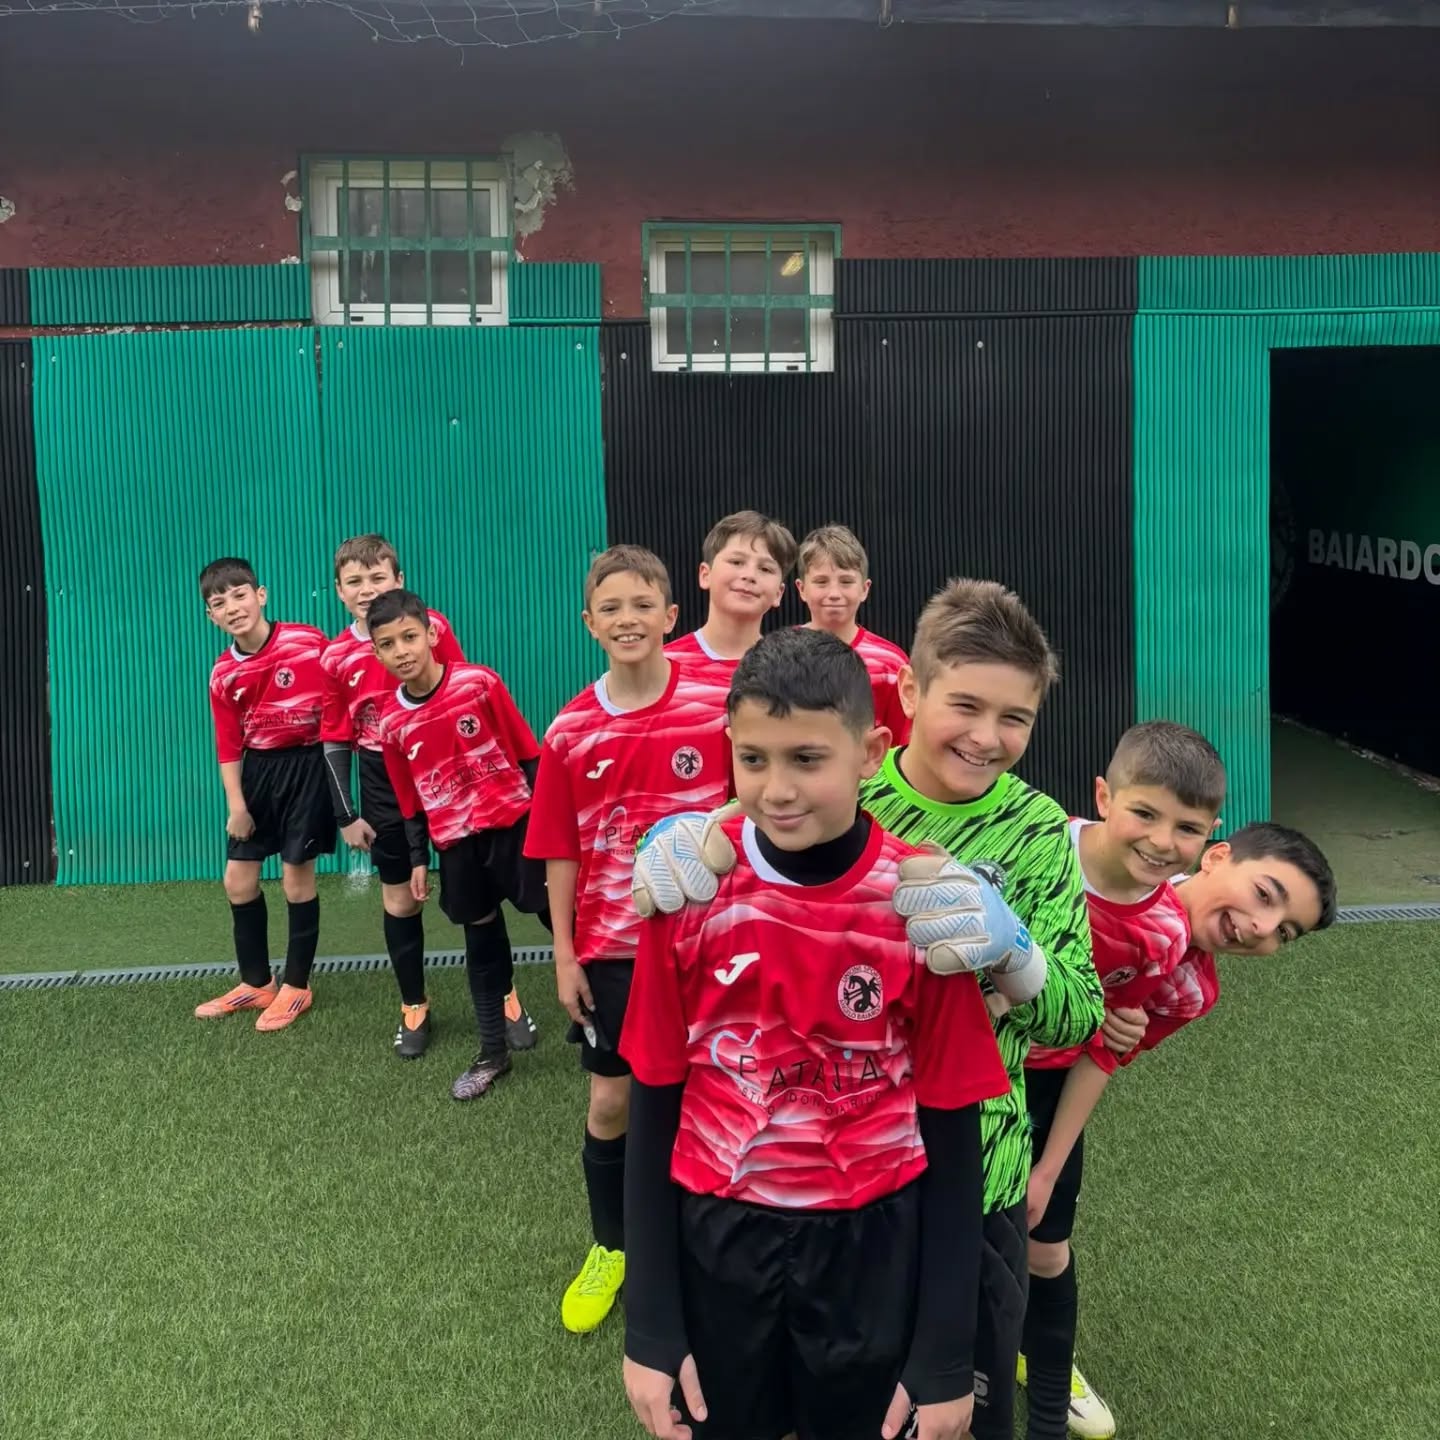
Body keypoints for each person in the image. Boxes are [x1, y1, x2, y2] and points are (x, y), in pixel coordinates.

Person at [632, 578, 1106, 1440]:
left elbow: (1078, 1020)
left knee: (955, 1411)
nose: (987, 737)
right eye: (967, 706)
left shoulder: (1038, 830)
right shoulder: (825, 796)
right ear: (909, 698)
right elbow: (751, 808)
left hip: (967, 1175)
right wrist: (669, 839)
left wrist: (1015, 952)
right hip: (755, 1207)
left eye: (1015, 718)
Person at [1020, 722, 1337, 1440]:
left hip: (1047, 1087)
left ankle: (1045, 1365)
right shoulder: (1072, 849)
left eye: (1285, 932)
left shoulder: (1192, 988)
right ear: (1217, 855)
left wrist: (1052, 1162)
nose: (1261, 927)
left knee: (1043, 1243)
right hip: (958, 1059)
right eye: (1265, 895)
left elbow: (1101, 1059)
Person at [524, 545, 733, 1337]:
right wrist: (565, 954)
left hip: (707, 945)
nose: (627, 619)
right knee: (612, 1101)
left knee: (705, 1100)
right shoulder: (570, 730)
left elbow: (750, 813)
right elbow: (560, 850)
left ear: (671, 616)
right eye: (610, 608)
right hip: (613, 955)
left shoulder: (716, 710)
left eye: (643, 604)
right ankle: (611, 1246)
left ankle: (697, 1245)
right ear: (589, 623)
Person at [319, 532, 537, 1059]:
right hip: (383, 777)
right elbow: (334, 736)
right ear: (339, 591)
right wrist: (345, 813)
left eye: (378, 578)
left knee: (484, 890)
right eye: (354, 581)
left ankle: (504, 997)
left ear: (399, 580)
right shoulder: (334, 658)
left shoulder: (432, 625)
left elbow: (460, 692)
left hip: (452, 773)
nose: (367, 590)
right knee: (400, 899)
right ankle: (414, 1004)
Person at [369, 588, 549, 1101]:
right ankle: (493, 1053)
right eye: (388, 644)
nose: (402, 651)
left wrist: (548, 827)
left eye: (409, 637)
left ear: (431, 634)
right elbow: (408, 801)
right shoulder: (391, 722)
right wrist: (418, 859)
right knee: (482, 944)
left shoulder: (479, 683)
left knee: (565, 923)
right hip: (457, 847)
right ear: (376, 653)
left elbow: (528, 753)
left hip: (517, 830)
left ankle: (603, 1027)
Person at [195, 557, 334, 1030]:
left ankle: (297, 985)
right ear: (211, 616)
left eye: (240, 595)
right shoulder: (222, 673)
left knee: (296, 879)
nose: (233, 608)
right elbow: (228, 744)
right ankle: (257, 983)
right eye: (219, 603)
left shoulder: (308, 642)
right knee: (237, 881)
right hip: (257, 772)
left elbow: (339, 699)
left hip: (308, 767)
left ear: (261, 595)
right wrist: (237, 805)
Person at [796, 522, 911, 745]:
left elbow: (900, 747)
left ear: (864, 589)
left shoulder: (890, 665)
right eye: (821, 582)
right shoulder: (778, 654)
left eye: (846, 582)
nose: (834, 593)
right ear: (801, 589)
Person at [665, 510, 796, 696]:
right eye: (736, 562)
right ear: (705, 574)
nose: (749, 575)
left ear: (779, 593)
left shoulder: (793, 672)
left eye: (765, 569)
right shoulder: (663, 666)